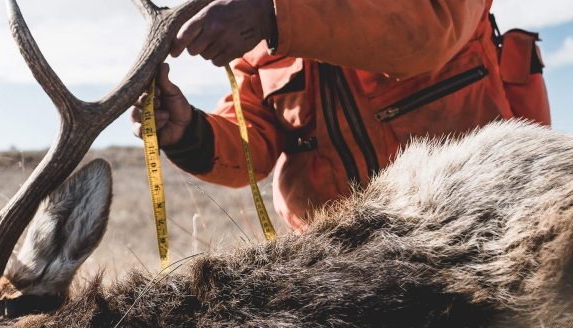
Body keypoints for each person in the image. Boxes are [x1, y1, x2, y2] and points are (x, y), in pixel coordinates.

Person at [132, 0, 550, 232]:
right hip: (343, 266)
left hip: (476, 232)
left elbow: (430, 32)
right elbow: (252, 142)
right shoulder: (258, 37)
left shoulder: (266, 16)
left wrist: (277, 17)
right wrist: (188, 132)